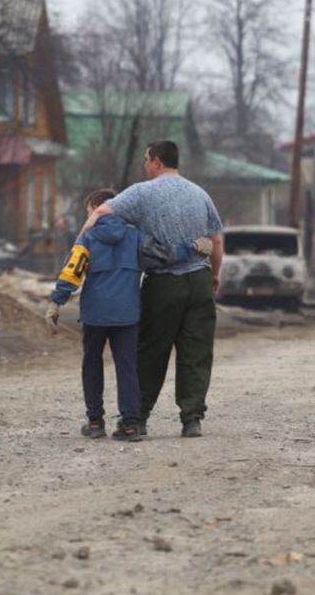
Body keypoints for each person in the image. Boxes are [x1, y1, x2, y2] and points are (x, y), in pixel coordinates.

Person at [84, 140, 224, 439]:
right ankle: (191, 419)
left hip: (163, 282)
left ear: (157, 162)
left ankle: (138, 418)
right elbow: (217, 240)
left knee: (150, 351)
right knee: (196, 351)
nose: (145, 165)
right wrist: (214, 274)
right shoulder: (199, 193)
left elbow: (102, 213)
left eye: (147, 160)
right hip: (199, 279)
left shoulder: (141, 192)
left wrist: (81, 242)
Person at [51, 187, 210, 442]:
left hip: (95, 314)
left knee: (92, 364)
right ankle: (131, 425)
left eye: (90, 212)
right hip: (127, 315)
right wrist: (194, 247)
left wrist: (56, 300)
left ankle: (95, 422)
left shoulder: (88, 238)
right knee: (127, 367)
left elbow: (73, 271)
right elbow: (165, 255)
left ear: (97, 210)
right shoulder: (135, 237)